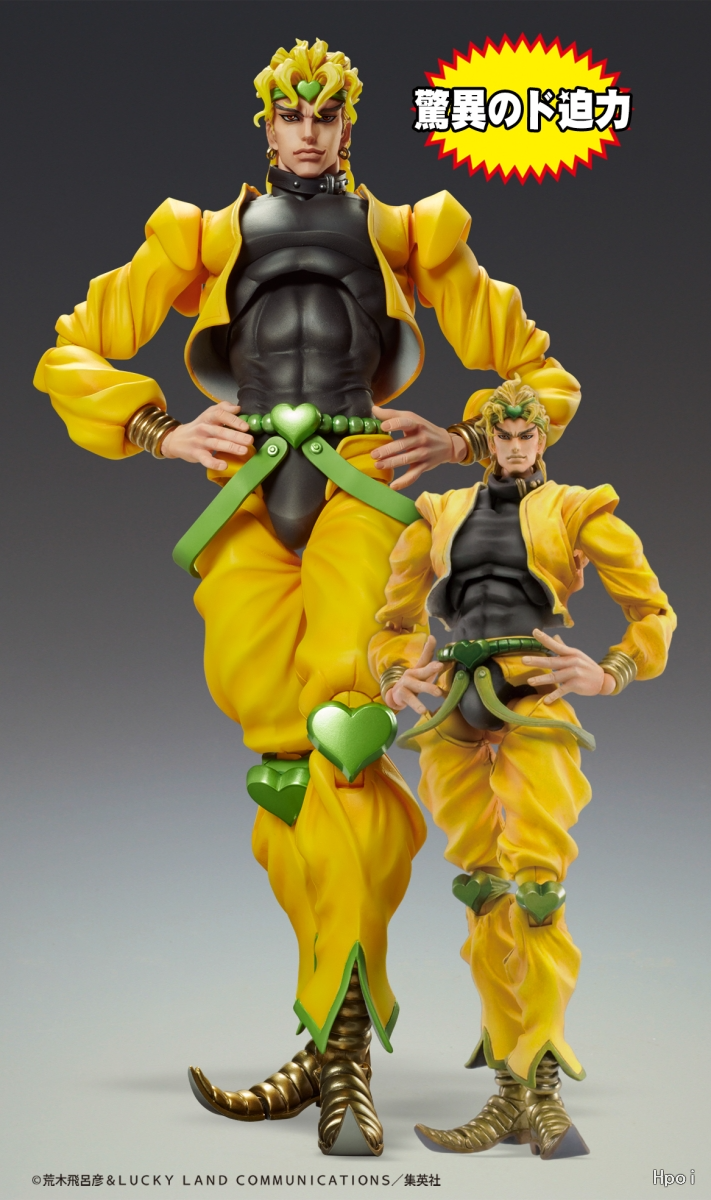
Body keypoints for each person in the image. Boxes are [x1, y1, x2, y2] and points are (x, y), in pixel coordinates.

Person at [33, 39, 581, 1156]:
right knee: (283, 768)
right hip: (245, 503)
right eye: (290, 114)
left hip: (356, 494)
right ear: (266, 123)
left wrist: (465, 435)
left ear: (348, 123)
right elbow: (73, 350)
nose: (308, 132)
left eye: (326, 115)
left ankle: (345, 1056)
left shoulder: (405, 231)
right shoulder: (201, 235)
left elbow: (538, 371)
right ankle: (327, 1031)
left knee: (348, 740)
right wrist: (155, 428)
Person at [370, 378, 675, 1159]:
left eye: (525, 435)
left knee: (536, 889)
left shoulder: (576, 510)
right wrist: (395, 673)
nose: (513, 447)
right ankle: (508, 1090)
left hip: (533, 693)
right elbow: (394, 619)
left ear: (542, 438)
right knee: (481, 892)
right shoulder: (437, 513)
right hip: (452, 701)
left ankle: (541, 1089)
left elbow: (651, 610)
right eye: (501, 435)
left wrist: (609, 671)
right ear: (483, 438)